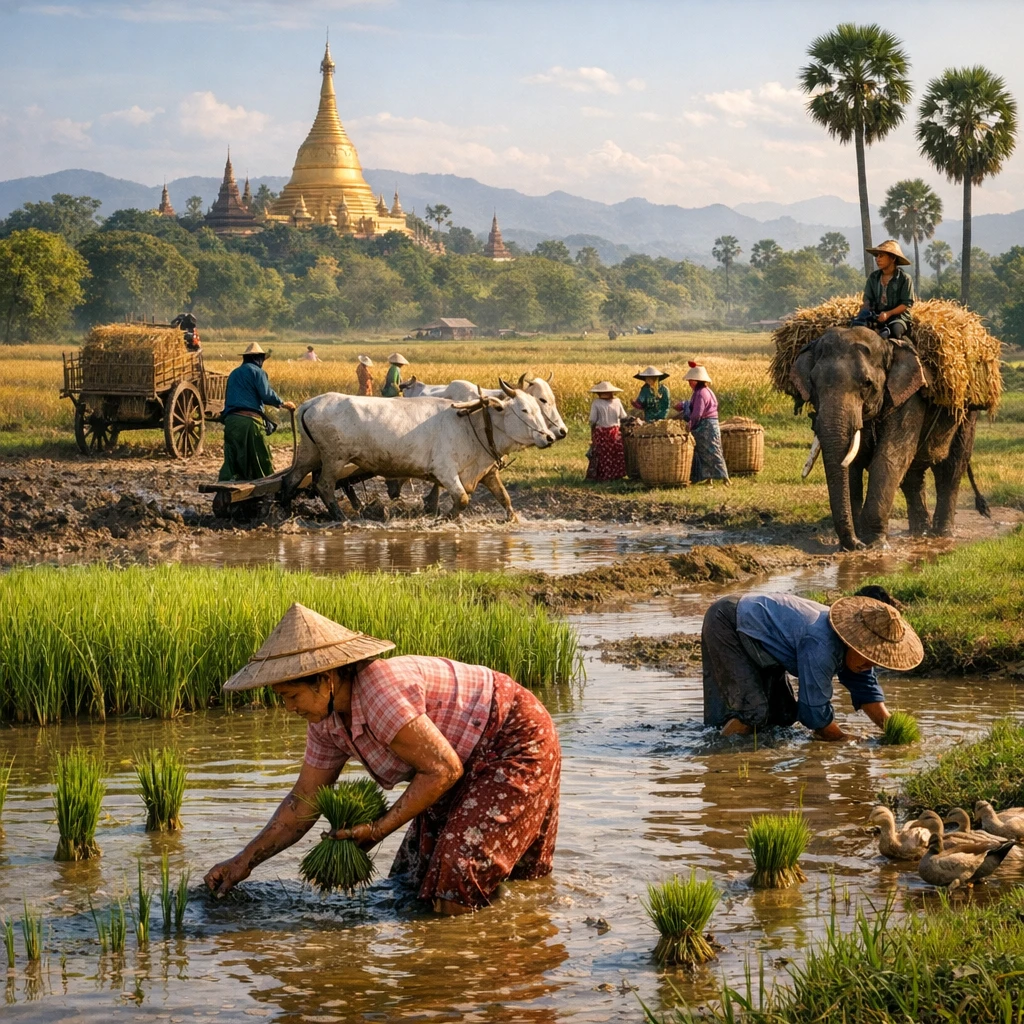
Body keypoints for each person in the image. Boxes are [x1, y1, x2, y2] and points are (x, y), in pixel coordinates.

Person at [203, 604, 562, 915]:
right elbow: (303, 802)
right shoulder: (326, 722)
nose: (289, 707)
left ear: (326, 680)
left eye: (292, 695)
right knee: (412, 881)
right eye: (282, 697)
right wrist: (242, 862)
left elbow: (443, 770)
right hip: (457, 761)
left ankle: (470, 964)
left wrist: (377, 831)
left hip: (511, 738)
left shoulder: (379, 692)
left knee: (457, 873)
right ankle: (499, 926)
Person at [701, 588, 923, 741]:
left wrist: (893, 731)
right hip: (729, 622)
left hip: (763, 640)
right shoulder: (821, 645)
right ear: (852, 642)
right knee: (754, 712)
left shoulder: (857, 655)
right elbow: (813, 713)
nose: (869, 664)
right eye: (866, 656)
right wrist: (842, 738)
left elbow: (865, 690)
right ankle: (716, 758)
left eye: (874, 659)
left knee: (784, 716)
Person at [218, 342, 295, 481]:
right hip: (249, 422)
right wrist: (282, 403)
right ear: (258, 359)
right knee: (261, 457)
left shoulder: (234, 373)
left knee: (233, 457)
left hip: (231, 421)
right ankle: (267, 486)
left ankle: (229, 482)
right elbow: (266, 394)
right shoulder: (258, 372)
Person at [674, 363, 729, 486]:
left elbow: (697, 413)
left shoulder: (700, 394)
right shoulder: (705, 391)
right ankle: (709, 479)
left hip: (706, 425)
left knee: (713, 451)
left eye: (691, 380)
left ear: (697, 380)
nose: (689, 383)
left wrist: (691, 425)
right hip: (710, 423)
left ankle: (726, 479)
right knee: (704, 452)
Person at [855, 239, 915, 340]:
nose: (877, 259)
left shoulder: (905, 279)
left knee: (895, 334)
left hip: (897, 317)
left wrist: (888, 313)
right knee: (856, 329)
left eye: (881, 256)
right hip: (876, 315)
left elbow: (906, 304)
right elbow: (867, 298)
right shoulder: (873, 277)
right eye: (877, 256)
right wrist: (866, 307)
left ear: (893, 258)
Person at [586, 381, 629, 481]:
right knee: (616, 454)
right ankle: (616, 475)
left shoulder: (596, 403)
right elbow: (623, 416)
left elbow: (592, 419)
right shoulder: (617, 401)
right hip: (615, 432)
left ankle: (603, 476)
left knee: (602, 455)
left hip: (601, 433)